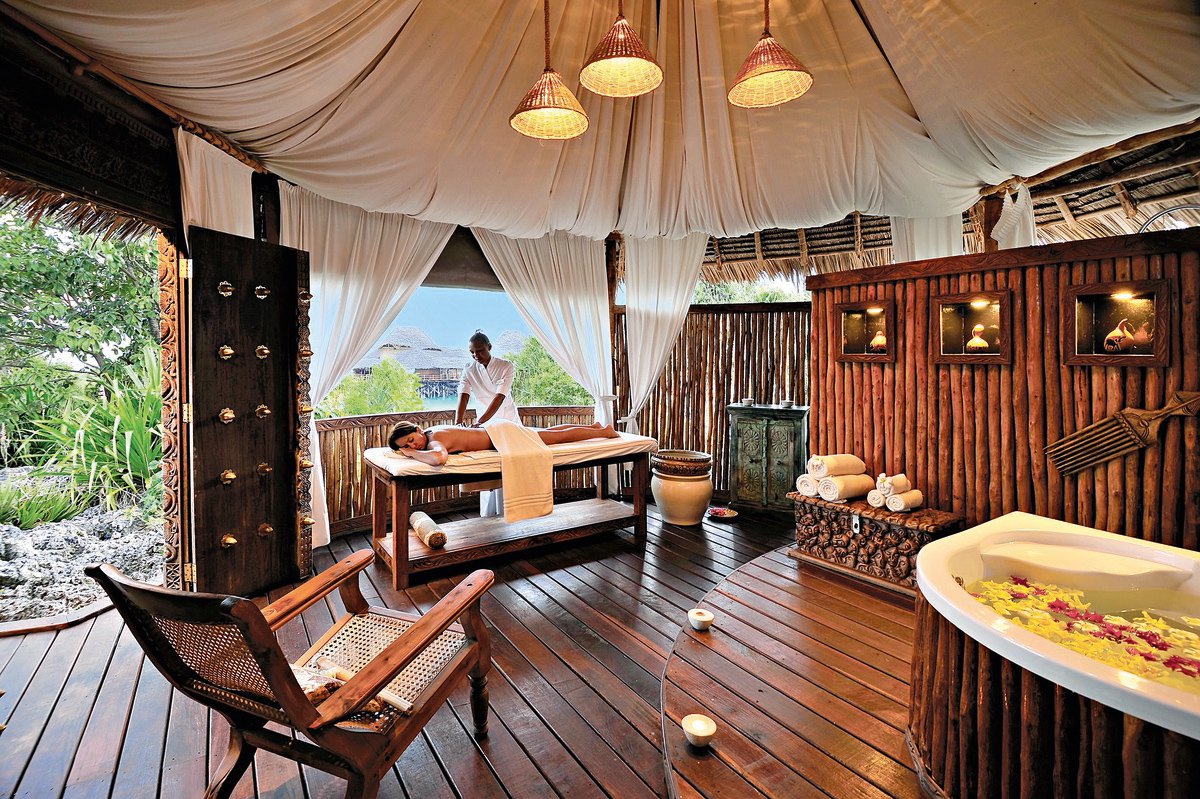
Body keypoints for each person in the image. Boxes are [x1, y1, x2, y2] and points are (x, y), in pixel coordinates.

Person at [389, 420, 619, 467]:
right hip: (498, 430)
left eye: (411, 440)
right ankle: (595, 427)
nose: (413, 446)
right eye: (407, 446)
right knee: (549, 433)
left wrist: (411, 455)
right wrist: (411, 450)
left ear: (418, 430)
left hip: (502, 436)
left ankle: (604, 432)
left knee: (555, 437)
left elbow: (439, 459)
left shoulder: (434, 441)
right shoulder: (433, 429)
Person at [455, 330, 519, 427]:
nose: (475, 355)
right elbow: (463, 395)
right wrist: (458, 422)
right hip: (483, 416)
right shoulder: (469, 369)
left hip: (506, 417)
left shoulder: (506, 366)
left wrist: (480, 422)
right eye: (472, 352)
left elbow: (500, 397)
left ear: (489, 347)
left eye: (479, 351)